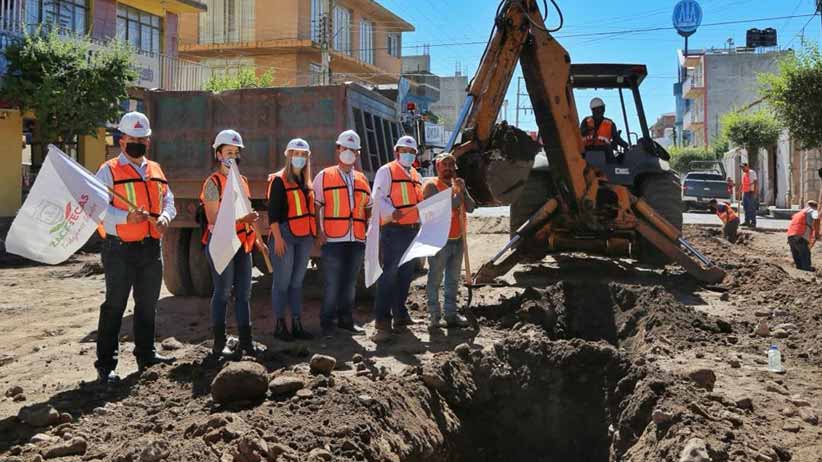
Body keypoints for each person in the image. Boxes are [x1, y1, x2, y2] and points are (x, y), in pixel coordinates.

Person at [94, 111, 176, 384]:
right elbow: (96, 208)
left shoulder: (156, 169)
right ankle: (106, 366)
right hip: (119, 249)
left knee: (147, 305)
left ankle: (146, 355)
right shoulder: (108, 171)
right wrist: (124, 217)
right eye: (132, 138)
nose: (137, 143)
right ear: (122, 141)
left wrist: (166, 216)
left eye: (142, 139)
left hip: (150, 248)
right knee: (115, 306)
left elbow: (168, 199)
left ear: (148, 142)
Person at [200, 129, 267, 361]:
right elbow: (213, 220)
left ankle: (247, 344)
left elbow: (247, 213)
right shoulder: (212, 183)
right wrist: (242, 220)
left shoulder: (243, 181)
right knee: (222, 293)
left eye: (236, 152)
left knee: (244, 294)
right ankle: (219, 345)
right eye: (228, 152)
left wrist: (257, 238)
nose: (233, 156)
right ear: (218, 154)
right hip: (221, 244)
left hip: (243, 244)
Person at [313, 130, 372, 338]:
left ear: (358, 153)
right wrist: (319, 233)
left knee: (350, 283)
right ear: (338, 149)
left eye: (352, 149)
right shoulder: (324, 176)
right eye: (344, 148)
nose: (348, 152)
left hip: (356, 239)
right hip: (333, 238)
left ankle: (346, 320)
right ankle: (327, 323)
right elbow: (317, 206)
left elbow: (368, 208)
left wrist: (370, 230)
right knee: (332, 283)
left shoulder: (362, 179)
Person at [371, 135, 423, 343]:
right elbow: (377, 198)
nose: (408, 155)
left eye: (412, 152)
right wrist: (392, 212)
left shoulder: (416, 175)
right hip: (394, 229)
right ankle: (382, 320)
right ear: (396, 152)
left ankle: (400, 315)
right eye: (404, 151)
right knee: (389, 273)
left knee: (405, 274)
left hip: (411, 230)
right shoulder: (387, 171)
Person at [268, 138, 316, 341]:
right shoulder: (279, 180)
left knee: (297, 282)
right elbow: (273, 215)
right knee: (282, 282)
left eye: (303, 154)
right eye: (295, 154)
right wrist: (278, 239)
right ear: (288, 156)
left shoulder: (305, 182)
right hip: (285, 236)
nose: (299, 158)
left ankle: (296, 324)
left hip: (303, 236)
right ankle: (280, 325)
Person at [424, 153, 476, 329]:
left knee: (453, 279)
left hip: (458, 239)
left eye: (451, 164)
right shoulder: (431, 186)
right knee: (435, 279)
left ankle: (451, 315)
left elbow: (471, 207)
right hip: (439, 240)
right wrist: (455, 199)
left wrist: (464, 191)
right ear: (437, 167)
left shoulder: (458, 185)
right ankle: (434, 316)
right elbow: (435, 211)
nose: (448, 168)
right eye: (444, 164)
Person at [787, 200, 820, 272]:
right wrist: (817, 233)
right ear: (815, 207)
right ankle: (807, 271)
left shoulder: (800, 212)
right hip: (800, 236)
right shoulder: (812, 211)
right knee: (805, 255)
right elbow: (817, 219)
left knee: (797, 258)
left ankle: (799, 270)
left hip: (790, 236)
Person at [740, 163, 758, 228]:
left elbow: (755, 182)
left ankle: (753, 222)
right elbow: (743, 183)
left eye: (743, 167)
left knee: (751, 208)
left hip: (751, 192)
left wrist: (755, 192)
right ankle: (746, 221)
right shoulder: (744, 174)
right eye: (742, 168)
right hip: (745, 192)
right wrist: (739, 190)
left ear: (747, 166)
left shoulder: (752, 172)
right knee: (746, 207)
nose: (742, 169)